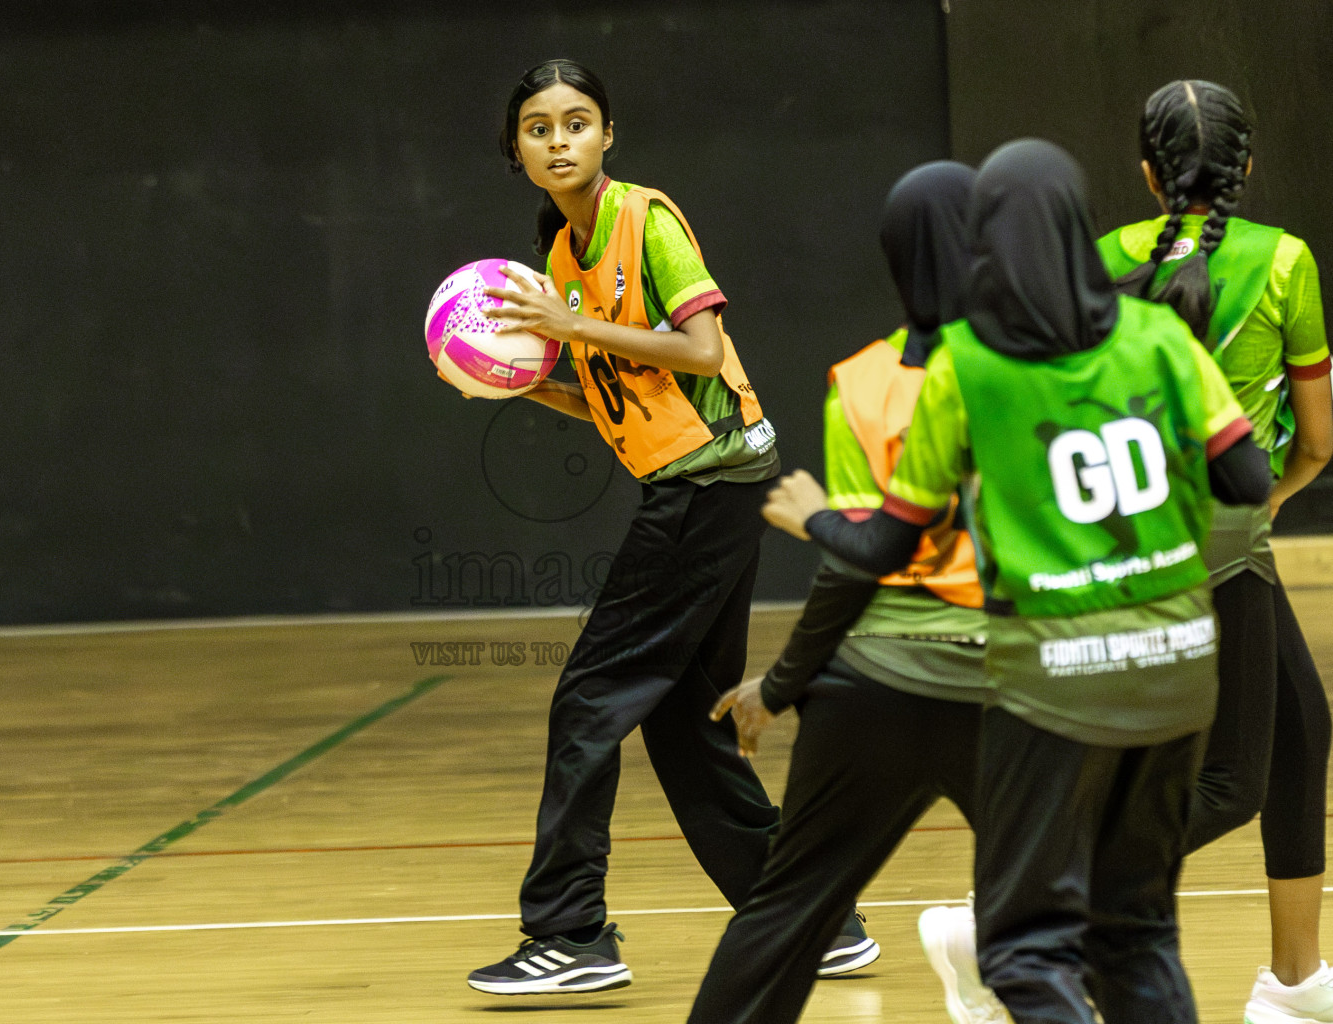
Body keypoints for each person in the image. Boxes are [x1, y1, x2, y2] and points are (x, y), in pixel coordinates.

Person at [796, 139, 1270, 1023]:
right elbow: (1245, 481)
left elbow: (892, 543)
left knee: (1023, 949)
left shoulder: (967, 366)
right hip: (1176, 662)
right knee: (1137, 935)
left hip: (1052, 675)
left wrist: (811, 517)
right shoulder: (1159, 337)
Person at [454, 58, 875, 996]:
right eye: (537, 128)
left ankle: (569, 935)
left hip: (707, 484)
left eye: (577, 122)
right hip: (697, 488)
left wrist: (570, 330)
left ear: (608, 136)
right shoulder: (558, 257)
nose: (558, 139)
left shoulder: (649, 220)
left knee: (589, 699)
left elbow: (699, 349)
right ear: (515, 151)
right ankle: (812, 918)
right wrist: (513, 374)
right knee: (686, 724)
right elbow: (610, 390)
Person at [681, 160, 1006, 1024]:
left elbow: (854, 565)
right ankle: (985, 957)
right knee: (1085, 902)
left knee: (784, 917)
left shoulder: (857, 380)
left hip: (869, 692)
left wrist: (780, 686)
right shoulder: (1036, 374)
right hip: (1000, 687)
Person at [1093, 79, 1333, 1024]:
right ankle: (1014, 912)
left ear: (1146, 173)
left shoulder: (1104, 259)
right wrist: (1260, 503)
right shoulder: (1283, 263)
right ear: (1249, 167)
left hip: (1134, 543)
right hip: (1225, 545)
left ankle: (1295, 979)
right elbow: (1317, 440)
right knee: (1229, 781)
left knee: (1302, 729)